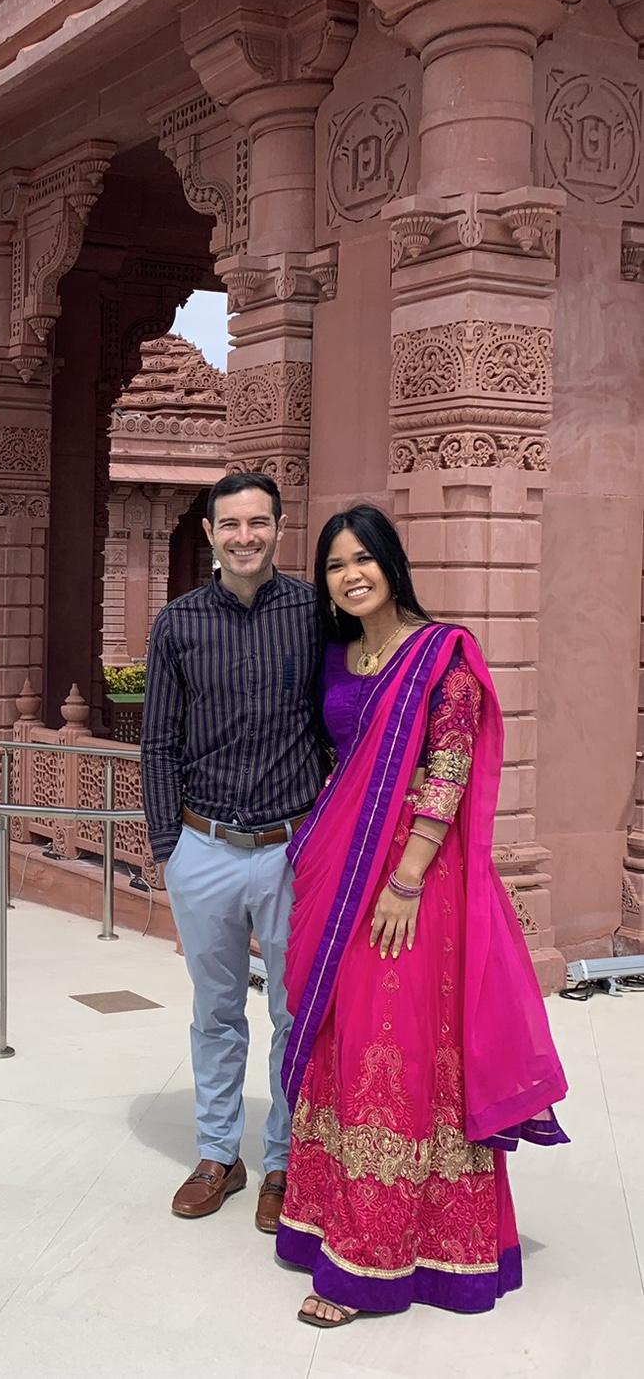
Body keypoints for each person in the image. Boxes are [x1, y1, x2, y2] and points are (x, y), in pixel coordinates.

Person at [278, 504, 567, 1327]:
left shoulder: (442, 654)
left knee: (396, 1043)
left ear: (392, 564)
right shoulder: (337, 655)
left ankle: (379, 1258)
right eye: (336, 565)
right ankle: (333, 1222)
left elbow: (447, 766)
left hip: (411, 881)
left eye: (364, 558)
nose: (351, 574)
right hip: (340, 868)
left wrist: (404, 880)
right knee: (343, 1037)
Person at [139, 471, 329, 1233]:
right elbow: (158, 742)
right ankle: (220, 1153)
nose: (245, 536)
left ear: (280, 527)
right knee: (216, 1011)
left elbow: (345, 718)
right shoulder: (179, 624)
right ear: (211, 533)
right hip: (205, 843)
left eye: (259, 522)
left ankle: (284, 1161)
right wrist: (167, 848)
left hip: (292, 847)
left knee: (294, 1014)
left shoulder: (316, 614)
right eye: (231, 525)